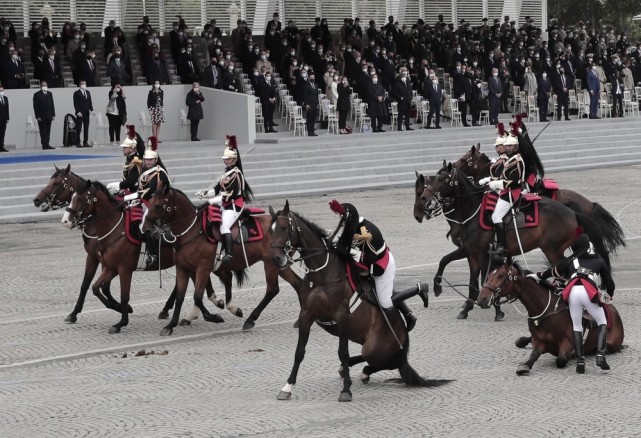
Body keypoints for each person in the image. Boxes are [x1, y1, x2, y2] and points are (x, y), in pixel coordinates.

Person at [328, 199, 429, 331]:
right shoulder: (352, 224)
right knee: (382, 289)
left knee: (385, 302)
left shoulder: (369, 233)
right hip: (364, 264)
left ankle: (419, 289)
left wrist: (349, 251)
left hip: (380, 265)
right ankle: (409, 315)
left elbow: (370, 258)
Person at [529, 232, 615, 373]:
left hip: (572, 292)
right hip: (588, 291)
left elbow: (552, 272)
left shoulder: (570, 261)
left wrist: (537, 276)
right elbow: (609, 283)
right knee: (602, 321)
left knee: (577, 326)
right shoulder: (598, 261)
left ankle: (580, 361)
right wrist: (610, 294)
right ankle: (600, 355)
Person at [203, 135, 254, 263]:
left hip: (233, 205)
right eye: (225, 159)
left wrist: (212, 201)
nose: (226, 161)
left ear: (234, 159)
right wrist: (205, 193)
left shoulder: (236, 174)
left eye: (228, 159)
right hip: (224, 203)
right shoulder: (226, 173)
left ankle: (229, 254)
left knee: (224, 227)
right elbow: (216, 189)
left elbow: (228, 195)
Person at [479, 122, 525, 255]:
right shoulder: (511, 159)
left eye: (509, 146)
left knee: (496, 216)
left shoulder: (517, 161)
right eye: (506, 146)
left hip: (512, 192)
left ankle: (502, 246)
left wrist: (495, 184)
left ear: (515, 146)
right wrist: (491, 181)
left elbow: (513, 181)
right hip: (506, 190)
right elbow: (502, 176)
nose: (507, 148)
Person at [128, 136, 170, 267]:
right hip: (145, 202)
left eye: (150, 159)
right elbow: (141, 187)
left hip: (155, 204)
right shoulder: (146, 171)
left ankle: (153, 254)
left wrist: (132, 196)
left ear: (155, 160)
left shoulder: (159, 173)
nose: (147, 162)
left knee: (144, 227)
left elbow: (151, 190)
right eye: (146, 160)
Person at [106, 126, 144, 195]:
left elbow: (131, 182)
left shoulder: (136, 161)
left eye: (125, 147)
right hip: (128, 190)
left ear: (132, 148)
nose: (123, 149)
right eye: (123, 147)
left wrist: (117, 185)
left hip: (135, 192)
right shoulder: (130, 158)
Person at [33, 81, 55, 150]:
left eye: (46, 85)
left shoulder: (50, 94)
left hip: (49, 115)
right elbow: (35, 106)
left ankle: (47, 144)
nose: (45, 86)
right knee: (43, 131)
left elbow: (52, 104)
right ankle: (44, 144)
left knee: (48, 131)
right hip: (41, 116)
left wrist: (53, 114)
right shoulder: (37, 94)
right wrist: (37, 116)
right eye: (43, 85)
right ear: (40, 86)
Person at [72, 80, 93, 148]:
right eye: (82, 84)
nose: (84, 85)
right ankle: (78, 142)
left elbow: (90, 101)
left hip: (87, 112)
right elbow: (75, 103)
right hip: (80, 113)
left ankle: (85, 142)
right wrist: (77, 111)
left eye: (85, 84)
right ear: (79, 85)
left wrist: (92, 110)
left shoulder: (88, 92)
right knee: (79, 128)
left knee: (86, 128)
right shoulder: (76, 93)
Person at [301, 71, 319, 136]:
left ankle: (312, 131)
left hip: (315, 103)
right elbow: (305, 95)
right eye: (311, 77)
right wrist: (306, 104)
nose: (312, 79)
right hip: (309, 104)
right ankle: (309, 132)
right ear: (308, 78)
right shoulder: (306, 85)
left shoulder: (316, 85)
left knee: (314, 118)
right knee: (309, 118)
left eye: (313, 77)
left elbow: (317, 95)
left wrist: (317, 103)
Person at [0, 85, 8, 152]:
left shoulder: (5, 98)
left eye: (2, 90)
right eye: (0, 90)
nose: (1, 91)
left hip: (4, 119)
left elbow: (7, 108)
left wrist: (7, 118)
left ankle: (1, 146)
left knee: (3, 133)